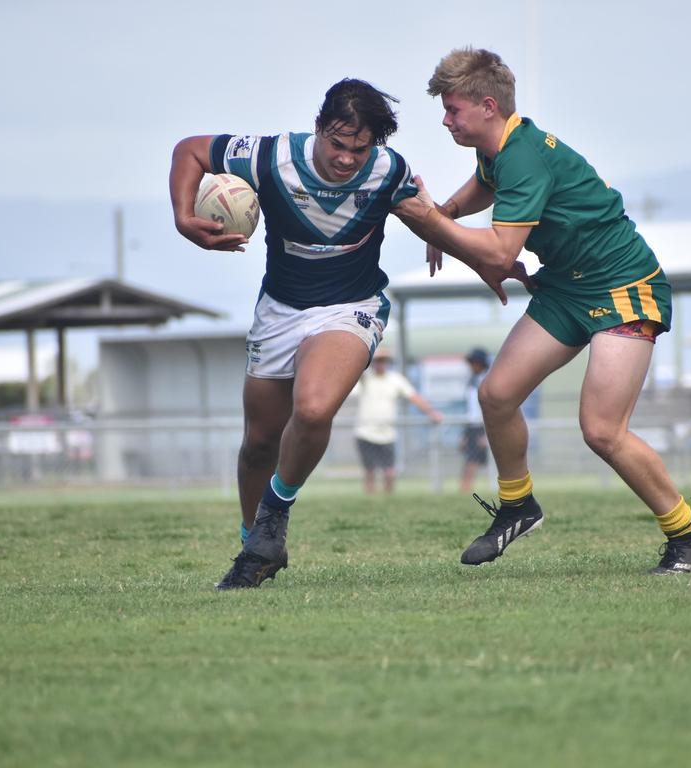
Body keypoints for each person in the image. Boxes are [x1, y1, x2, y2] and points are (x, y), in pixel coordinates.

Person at [393, 47, 691, 574]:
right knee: (496, 395)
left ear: (488, 105)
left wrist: (429, 220)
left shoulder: (523, 155)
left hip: (622, 288)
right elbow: (485, 182)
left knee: (601, 430)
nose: (446, 120)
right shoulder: (501, 147)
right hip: (568, 289)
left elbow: (500, 252)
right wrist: (448, 211)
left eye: (453, 110)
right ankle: (519, 506)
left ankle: (688, 536)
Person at [169, 79, 419, 589]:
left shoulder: (387, 169)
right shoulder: (269, 157)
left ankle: (273, 521)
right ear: (318, 128)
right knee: (259, 442)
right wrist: (183, 218)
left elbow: (422, 202)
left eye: (360, 148)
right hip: (279, 310)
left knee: (312, 408)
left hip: (351, 308)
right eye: (338, 143)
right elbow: (189, 151)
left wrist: (475, 250)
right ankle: (253, 547)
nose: (348, 158)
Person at [351, 346, 443, 494]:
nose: (381, 364)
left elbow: (414, 397)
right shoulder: (365, 378)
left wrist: (431, 412)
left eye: (384, 360)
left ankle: (388, 499)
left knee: (389, 472)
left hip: (387, 434)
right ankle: (370, 502)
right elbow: (355, 368)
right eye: (378, 360)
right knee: (369, 471)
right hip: (365, 432)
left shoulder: (396, 380)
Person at [459, 347, 490, 493]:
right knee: (470, 460)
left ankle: (466, 488)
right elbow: (470, 410)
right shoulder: (472, 381)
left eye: (474, 362)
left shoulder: (487, 380)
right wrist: (464, 434)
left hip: (482, 426)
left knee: (473, 461)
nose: (471, 366)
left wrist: (486, 433)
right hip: (472, 426)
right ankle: (465, 488)